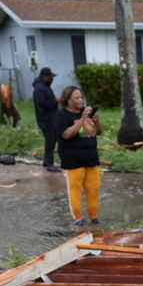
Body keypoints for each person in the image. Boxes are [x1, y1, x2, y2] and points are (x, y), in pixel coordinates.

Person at [53, 85, 101, 227]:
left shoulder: (87, 113)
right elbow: (67, 135)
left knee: (93, 188)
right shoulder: (61, 116)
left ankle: (94, 217)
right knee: (75, 189)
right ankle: (78, 218)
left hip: (91, 157)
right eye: (77, 98)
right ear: (68, 100)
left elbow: (97, 132)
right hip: (72, 158)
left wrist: (96, 121)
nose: (80, 100)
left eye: (81, 97)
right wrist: (81, 119)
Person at [32, 67, 61, 172]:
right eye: (50, 77)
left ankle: (46, 161)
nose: (52, 79)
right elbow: (42, 104)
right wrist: (55, 101)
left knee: (50, 142)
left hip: (49, 119)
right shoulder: (40, 89)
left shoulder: (44, 86)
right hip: (47, 120)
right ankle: (50, 164)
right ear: (45, 77)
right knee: (50, 142)